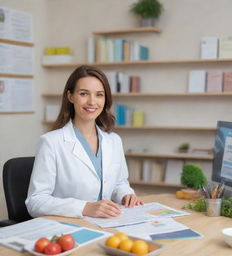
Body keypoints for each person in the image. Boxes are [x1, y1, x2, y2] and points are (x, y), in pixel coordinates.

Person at [25, 65, 143, 218]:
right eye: (84, 94)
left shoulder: (113, 141)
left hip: (107, 223)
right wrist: (84, 208)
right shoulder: (51, 142)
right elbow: (35, 201)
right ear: (70, 96)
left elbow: (119, 183)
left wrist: (126, 195)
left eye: (99, 94)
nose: (92, 102)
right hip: (69, 228)